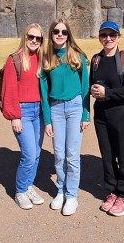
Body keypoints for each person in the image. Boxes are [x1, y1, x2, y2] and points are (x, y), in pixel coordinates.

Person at [40, 19, 90, 216]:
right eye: (56, 31)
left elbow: (85, 87)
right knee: (59, 154)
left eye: (64, 32)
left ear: (68, 35)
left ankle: (71, 195)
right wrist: (48, 120)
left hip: (75, 106)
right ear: (51, 34)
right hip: (56, 109)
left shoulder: (77, 57)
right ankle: (60, 190)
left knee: (72, 154)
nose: (60, 34)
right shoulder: (47, 59)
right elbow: (44, 93)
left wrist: (86, 114)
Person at [89, 21, 124, 217]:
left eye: (112, 35)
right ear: (99, 37)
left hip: (123, 114)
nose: (108, 39)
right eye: (104, 35)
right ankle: (112, 191)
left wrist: (106, 93)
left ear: (118, 37)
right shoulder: (95, 60)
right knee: (107, 155)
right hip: (101, 115)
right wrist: (94, 90)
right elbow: (93, 82)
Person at [0, 23, 46, 210]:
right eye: (30, 37)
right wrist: (14, 116)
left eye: (38, 38)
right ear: (24, 37)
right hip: (23, 112)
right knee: (29, 154)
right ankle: (20, 190)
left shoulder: (42, 59)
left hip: (39, 111)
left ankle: (28, 186)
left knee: (36, 154)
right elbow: (9, 89)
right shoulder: (14, 59)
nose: (34, 41)